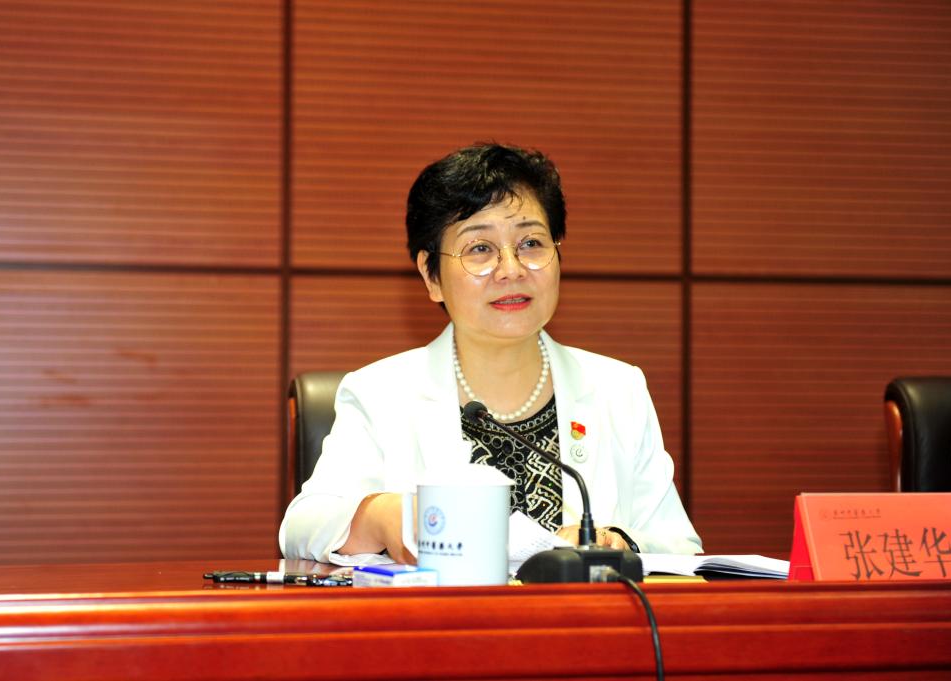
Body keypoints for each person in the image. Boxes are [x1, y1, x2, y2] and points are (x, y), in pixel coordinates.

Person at [280, 143, 702, 564]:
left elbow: (680, 546)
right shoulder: (379, 393)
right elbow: (302, 527)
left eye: (531, 243)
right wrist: (383, 516)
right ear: (432, 276)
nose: (511, 269)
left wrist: (619, 542)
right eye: (480, 249)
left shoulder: (618, 389)